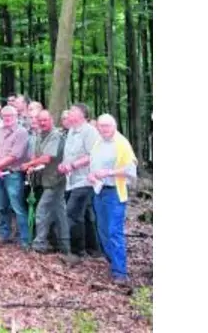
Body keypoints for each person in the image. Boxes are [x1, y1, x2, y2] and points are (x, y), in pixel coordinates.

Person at [89, 113, 139, 282]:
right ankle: (112, 262)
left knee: (113, 231)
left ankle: (120, 272)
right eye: (101, 126)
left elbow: (131, 170)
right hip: (99, 190)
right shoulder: (97, 142)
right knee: (102, 231)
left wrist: (109, 172)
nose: (103, 129)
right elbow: (94, 164)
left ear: (114, 126)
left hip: (115, 192)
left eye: (107, 126)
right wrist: (92, 175)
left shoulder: (122, 144)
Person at [57, 103, 102, 261]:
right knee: (83, 216)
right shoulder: (71, 131)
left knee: (72, 214)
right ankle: (93, 248)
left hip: (85, 180)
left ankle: (77, 252)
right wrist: (64, 164)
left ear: (82, 115)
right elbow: (68, 154)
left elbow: (93, 155)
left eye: (73, 111)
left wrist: (74, 165)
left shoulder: (90, 132)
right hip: (71, 180)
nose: (69, 112)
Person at [24, 108, 69, 254]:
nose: (42, 123)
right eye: (40, 120)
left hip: (56, 180)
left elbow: (47, 158)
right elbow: (37, 156)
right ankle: (64, 245)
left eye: (45, 120)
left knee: (41, 211)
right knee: (59, 213)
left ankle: (39, 245)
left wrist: (29, 164)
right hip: (46, 180)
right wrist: (32, 167)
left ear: (51, 120)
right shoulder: (39, 135)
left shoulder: (55, 136)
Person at [0, 105, 32, 247]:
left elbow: (15, 155)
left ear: (16, 117)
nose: (7, 119)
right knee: (1, 206)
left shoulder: (21, 132)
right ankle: (4, 234)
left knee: (17, 207)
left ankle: (25, 238)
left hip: (13, 174)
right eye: (5, 116)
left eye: (10, 116)